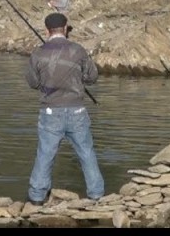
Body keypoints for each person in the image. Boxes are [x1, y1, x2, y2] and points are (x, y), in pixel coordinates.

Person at [25, 12, 103, 205]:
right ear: (66, 28)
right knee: (86, 153)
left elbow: (33, 83)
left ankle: (37, 197)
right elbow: (92, 77)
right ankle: (96, 195)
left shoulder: (38, 53)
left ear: (46, 30)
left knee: (45, 154)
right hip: (77, 111)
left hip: (50, 112)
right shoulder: (78, 50)